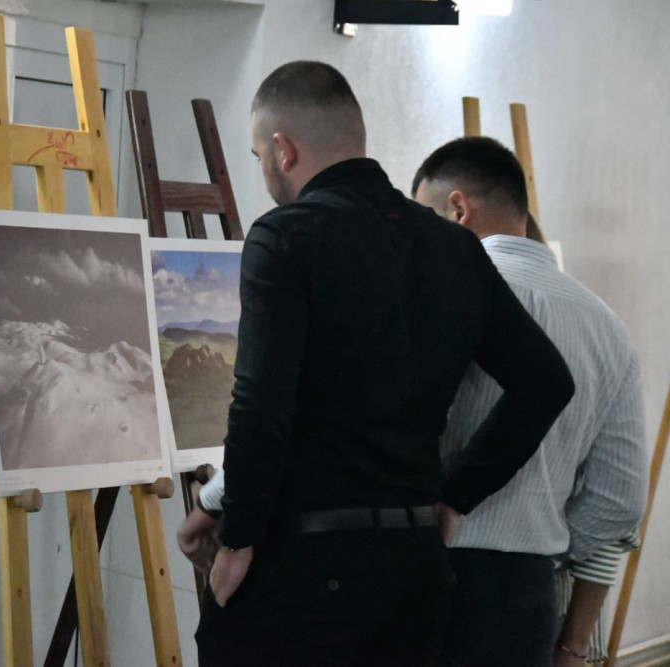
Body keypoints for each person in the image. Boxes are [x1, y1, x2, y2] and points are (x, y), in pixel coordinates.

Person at [182, 61, 575, 666]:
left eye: (259, 155)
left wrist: (236, 539)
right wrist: (455, 495)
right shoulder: (454, 248)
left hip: (300, 574)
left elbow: (260, 408)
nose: (264, 169)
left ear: (284, 150)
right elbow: (546, 382)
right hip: (412, 572)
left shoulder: (286, 237)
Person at [410, 136, 648, 666]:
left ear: (457, 209)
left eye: (425, 219)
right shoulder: (607, 327)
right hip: (526, 596)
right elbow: (621, 496)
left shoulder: (436, 294)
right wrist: (543, 543)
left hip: (422, 570)